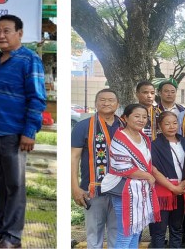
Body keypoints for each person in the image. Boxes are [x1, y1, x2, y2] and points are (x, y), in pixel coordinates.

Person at [0, 15, 45, 248]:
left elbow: (37, 98)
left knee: (14, 187)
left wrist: (30, 132)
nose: (1, 35)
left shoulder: (29, 59)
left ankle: (13, 236)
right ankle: (0, 228)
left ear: (20, 33)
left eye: (7, 30)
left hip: (14, 136)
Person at [71, 89, 121, 249]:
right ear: (96, 103)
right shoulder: (83, 126)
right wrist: (75, 188)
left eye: (111, 100)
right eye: (102, 100)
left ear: (117, 104)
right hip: (93, 190)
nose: (106, 103)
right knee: (94, 235)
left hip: (121, 190)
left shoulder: (126, 126)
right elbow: (73, 157)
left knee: (117, 233)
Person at [103, 104, 158, 248]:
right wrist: (148, 176)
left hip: (140, 192)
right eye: (137, 116)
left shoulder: (144, 137)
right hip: (124, 190)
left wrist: (147, 176)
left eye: (144, 117)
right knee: (125, 233)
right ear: (126, 118)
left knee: (136, 231)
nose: (141, 120)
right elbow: (123, 167)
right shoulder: (120, 138)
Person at [149, 111, 185, 248]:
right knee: (159, 230)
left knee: (177, 228)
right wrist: (173, 188)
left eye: (175, 123)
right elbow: (153, 170)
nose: (172, 126)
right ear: (160, 126)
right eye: (167, 123)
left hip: (182, 190)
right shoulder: (154, 144)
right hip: (162, 192)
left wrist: (183, 184)